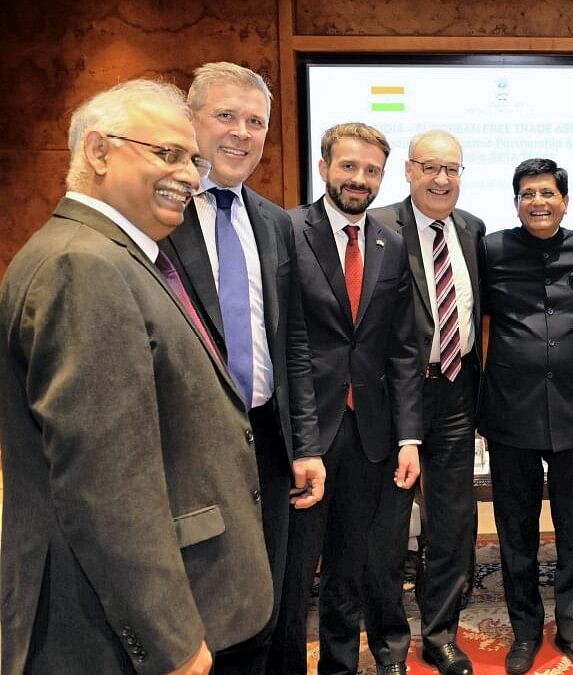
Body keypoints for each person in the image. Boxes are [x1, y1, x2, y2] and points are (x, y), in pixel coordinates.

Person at [0, 79, 272, 674]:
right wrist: (170, 640)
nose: (189, 174)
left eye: (192, 160)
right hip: (113, 627)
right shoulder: (82, 266)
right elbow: (104, 484)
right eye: (167, 154)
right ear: (98, 152)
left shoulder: (118, 253)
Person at [161, 62, 324, 674]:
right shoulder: (159, 218)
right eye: (226, 116)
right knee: (204, 606)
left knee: (272, 598)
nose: (242, 133)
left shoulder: (274, 222)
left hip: (269, 442)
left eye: (256, 122)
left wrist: (305, 445)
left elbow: (293, 344)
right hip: (188, 452)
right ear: (190, 121)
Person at [269, 123, 423, 675]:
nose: (360, 179)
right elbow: (281, 339)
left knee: (349, 567)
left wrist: (409, 436)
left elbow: (403, 348)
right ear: (324, 169)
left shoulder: (389, 240)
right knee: (293, 571)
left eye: (372, 170)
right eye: (349, 167)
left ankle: (340, 666)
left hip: (370, 436)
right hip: (305, 435)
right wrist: (300, 436)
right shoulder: (286, 231)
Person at [478, 158, 573, 674]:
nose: (538, 202)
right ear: (516, 202)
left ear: (565, 200)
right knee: (517, 533)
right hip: (511, 413)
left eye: (548, 193)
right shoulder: (491, 249)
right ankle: (525, 632)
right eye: (528, 193)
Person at [370, 129, 485, 675]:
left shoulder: (471, 229)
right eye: (431, 167)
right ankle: (389, 644)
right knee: (389, 527)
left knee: (452, 522)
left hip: (456, 392)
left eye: (453, 169)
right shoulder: (378, 226)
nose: (442, 179)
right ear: (409, 170)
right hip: (397, 397)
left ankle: (441, 634)